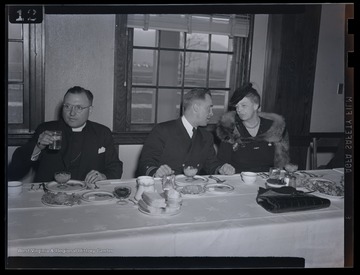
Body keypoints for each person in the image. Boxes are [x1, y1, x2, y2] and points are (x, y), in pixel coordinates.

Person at [8, 86, 123, 184]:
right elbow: (15, 170)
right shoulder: (45, 129)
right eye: (67, 106)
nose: (72, 113)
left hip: (87, 195)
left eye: (79, 108)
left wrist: (104, 176)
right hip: (49, 196)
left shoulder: (102, 132)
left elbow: (116, 167)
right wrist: (38, 147)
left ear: (90, 110)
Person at [137, 88, 235, 178]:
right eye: (209, 108)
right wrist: (156, 172)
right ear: (196, 108)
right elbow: (145, 164)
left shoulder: (206, 137)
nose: (211, 113)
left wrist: (221, 169)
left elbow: (212, 165)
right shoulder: (162, 130)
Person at [216, 83, 290, 173]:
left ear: (255, 105)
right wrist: (224, 168)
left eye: (243, 105)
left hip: (268, 180)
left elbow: (283, 162)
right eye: (237, 106)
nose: (239, 110)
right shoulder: (230, 129)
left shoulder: (273, 128)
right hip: (238, 180)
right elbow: (221, 162)